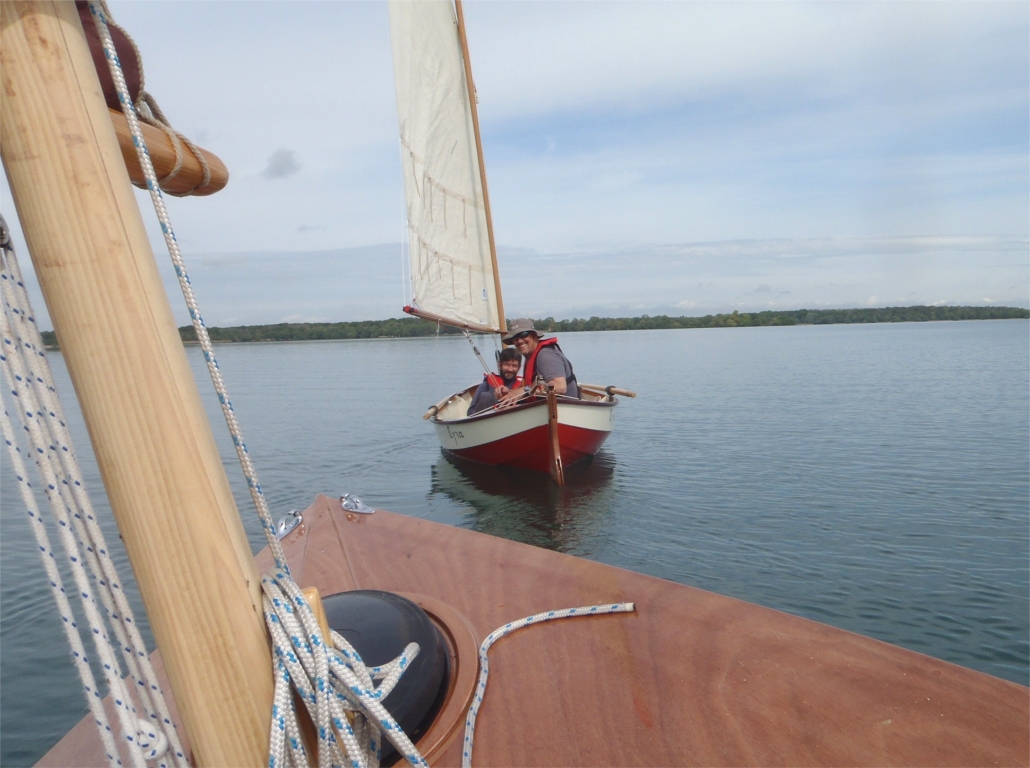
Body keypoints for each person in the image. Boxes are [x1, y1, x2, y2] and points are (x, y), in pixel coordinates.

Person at [502, 318, 579, 399]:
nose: (519, 341)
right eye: (515, 338)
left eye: (524, 334)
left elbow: (560, 387)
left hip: (563, 408)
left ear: (534, 336)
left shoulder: (545, 355)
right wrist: (509, 392)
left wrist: (526, 390)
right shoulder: (530, 356)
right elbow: (524, 387)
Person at [468, 346, 523, 415]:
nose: (510, 369)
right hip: (487, 421)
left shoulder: (523, 386)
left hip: (515, 418)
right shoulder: (485, 385)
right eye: (507, 365)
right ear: (500, 365)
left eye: (514, 366)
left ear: (519, 367)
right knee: (485, 396)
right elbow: (470, 412)